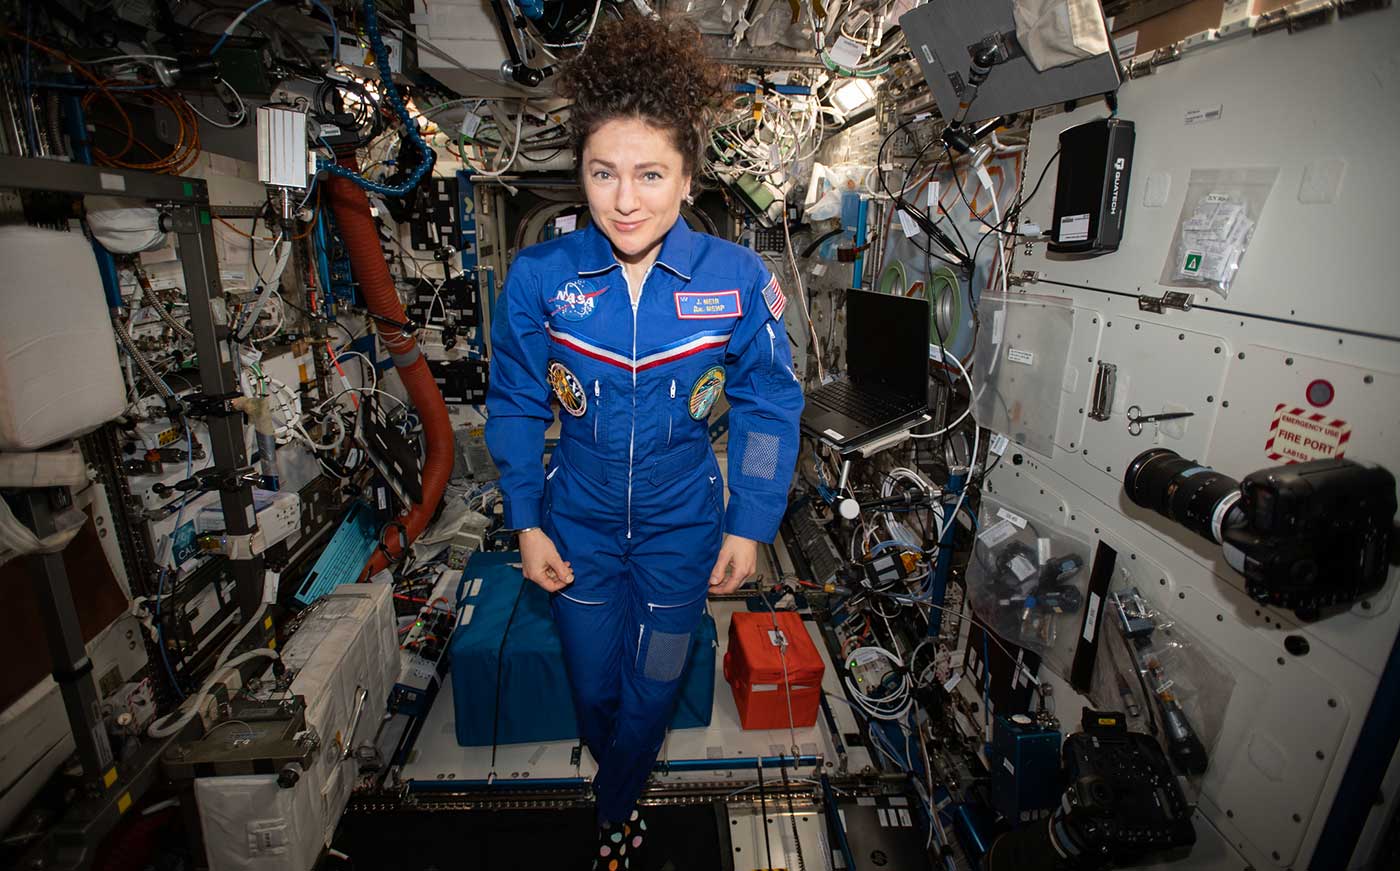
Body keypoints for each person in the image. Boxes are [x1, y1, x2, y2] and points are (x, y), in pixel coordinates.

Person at [485, 14, 804, 870]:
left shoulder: (739, 282)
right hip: (577, 523)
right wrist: (527, 518)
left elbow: (769, 406)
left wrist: (750, 523)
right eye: (604, 172)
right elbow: (515, 401)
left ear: (689, 178)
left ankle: (615, 798)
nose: (626, 199)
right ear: (581, 173)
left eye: (651, 173)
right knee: (594, 686)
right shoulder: (542, 279)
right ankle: (620, 788)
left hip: (680, 530)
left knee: (655, 684)